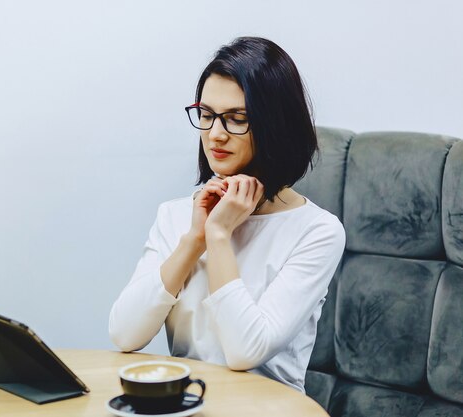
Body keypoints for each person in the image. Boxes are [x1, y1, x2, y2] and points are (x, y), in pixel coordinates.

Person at [108, 37, 345, 393]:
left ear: (275, 126)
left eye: (236, 119)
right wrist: (195, 239)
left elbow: (244, 352)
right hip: (189, 406)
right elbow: (124, 334)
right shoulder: (176, 216)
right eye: (206, 115)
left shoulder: (317, 231)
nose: (215, 135)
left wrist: (218, 237)